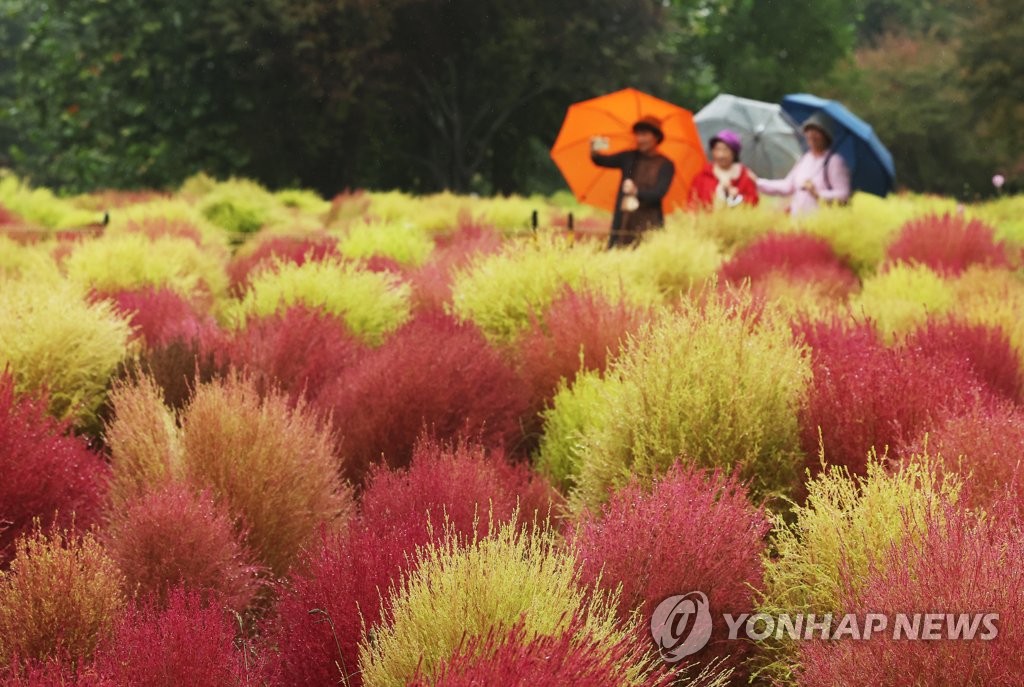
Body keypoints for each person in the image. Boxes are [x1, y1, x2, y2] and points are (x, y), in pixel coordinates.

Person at [590, 115, 675, 248]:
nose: (640, 139)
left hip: (649, 221)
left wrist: (636, 191)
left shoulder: (665, 164)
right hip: (624, 219)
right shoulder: (629, 157)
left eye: (644, 134)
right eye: (638, 134)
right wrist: (594, 150)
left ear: (656, 137)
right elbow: (601, 160)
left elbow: (659, 193)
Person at [756, 112, 851, 216]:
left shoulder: (834, 161)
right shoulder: (805, 158)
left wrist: (817, 193)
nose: (812, 135)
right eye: (809, 130)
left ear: (826, 135)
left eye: (817, 131)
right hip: (797, 223)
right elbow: (787, 186)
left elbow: (843, 194)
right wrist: (756, 182)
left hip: (821, 224)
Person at [689, 129, 759, 208]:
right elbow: (692, 205)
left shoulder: (745, 176)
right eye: (717, 149)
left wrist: (736, 198)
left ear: (734, 153)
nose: (720, 155)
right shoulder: (703, 176)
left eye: (725, 150)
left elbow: (753, 203)